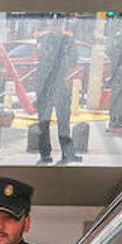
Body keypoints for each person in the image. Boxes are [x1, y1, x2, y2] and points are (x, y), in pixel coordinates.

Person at [32, 14, 79, 163]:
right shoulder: (44, 39)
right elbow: (45, 59)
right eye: (55, 23)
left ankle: (67, 153)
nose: (57, 26)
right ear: (50, 24)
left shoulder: (68, 40)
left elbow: (74, 59)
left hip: (61, 86)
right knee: (43, 122)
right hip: (46, 86)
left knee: (64, 120)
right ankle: (45, 154)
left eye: (60, 23)